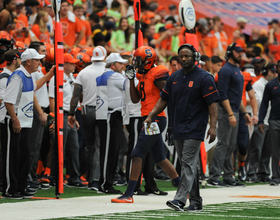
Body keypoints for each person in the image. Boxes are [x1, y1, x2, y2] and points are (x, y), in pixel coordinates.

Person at [142, 44, 219, 211]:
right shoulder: (174, 77)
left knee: (187, 162)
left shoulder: (204, 77)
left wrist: (212, 127)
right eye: (181, 56)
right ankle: (196, 202)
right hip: (178, 127)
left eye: (187, 56)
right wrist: (151, 115)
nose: (184, 59)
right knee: (189, 165)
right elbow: (164, 99)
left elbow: (213, 104)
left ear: (195, 57)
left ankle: (180, 199)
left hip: (195, 127)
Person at [111, 46, 180, 203]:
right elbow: (136, 99)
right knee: (160, 158)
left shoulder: (158, 72)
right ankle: (183, 187)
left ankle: (129, 194)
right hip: (149, 118)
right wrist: (130, 79)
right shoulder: (143, 74)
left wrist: (171, 121)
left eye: (139, 60)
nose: (136, 62)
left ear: (148, 61)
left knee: (136, 154)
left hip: (155, 119)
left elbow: (170, 96)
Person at [1, 48, 53, 199]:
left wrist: (50, 74)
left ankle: (21, 186)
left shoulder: (27, 75)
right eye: (37, 60)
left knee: (24, 155)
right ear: (28, 61)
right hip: (14, 120)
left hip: (23, 121)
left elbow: (34, 87)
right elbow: (8, 101)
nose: (39, 62)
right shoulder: (18, 76)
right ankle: (10, 189)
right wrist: (15, 120)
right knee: (13, 156)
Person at [207, 42, 251, 187]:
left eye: (241, 52)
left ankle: (228, 176)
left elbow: (237, 95)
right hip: (227, 112)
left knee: (231, 145)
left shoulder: (237, 69)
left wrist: (244, 112)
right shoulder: (226, 70)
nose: (240, 54)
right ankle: (214, 177)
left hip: (235, 111)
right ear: (231, 52)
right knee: (223, 144)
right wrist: (231, 114)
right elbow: (223, 94)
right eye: (238, 52)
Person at [68, 46, 107, 191]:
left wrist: (71, 113)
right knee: (100, 145)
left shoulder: (83, 72)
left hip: (87, 110)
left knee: (89, 146)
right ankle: (98, 179)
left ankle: (91, 177)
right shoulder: (108, 70)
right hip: (104, 109)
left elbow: (75, 96)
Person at [49, 53, 85, 187]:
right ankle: (55, 177)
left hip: (69, 115)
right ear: (64, 64)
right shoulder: (56, 78)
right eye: (72, 63)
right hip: (60, 114)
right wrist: (54, 117)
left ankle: (74, 177)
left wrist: (72, 115)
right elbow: (52, 99)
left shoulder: (71, 77)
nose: (75, 65)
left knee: (74, 147)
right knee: (59, 148)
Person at [95, 52, 128, 194]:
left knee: (112, 149)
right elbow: (131, 85)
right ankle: (104, 183)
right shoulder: (114, 76)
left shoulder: (105, 75)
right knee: (109, 150)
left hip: (108, 115)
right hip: (110, 115)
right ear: (113, 65)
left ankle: (107, 181)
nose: (123, 66)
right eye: (120, 63)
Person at [247, 63, 278, 183]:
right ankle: (252, 172)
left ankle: (264, 172)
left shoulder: (272, 85)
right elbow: (260, 102)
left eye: (275, 72)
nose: (275, 74)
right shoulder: (258, 84)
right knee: (257, 148)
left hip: (270, 120)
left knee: (267, 149)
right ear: (265, 72)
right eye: (272, 72)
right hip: (260, 120)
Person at [258, 61, 280, 186]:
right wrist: (261, 120)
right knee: (275, 149)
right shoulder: (271, 84)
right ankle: (276, 176)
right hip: (274, 120)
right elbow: (265, 103)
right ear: (277, 69)